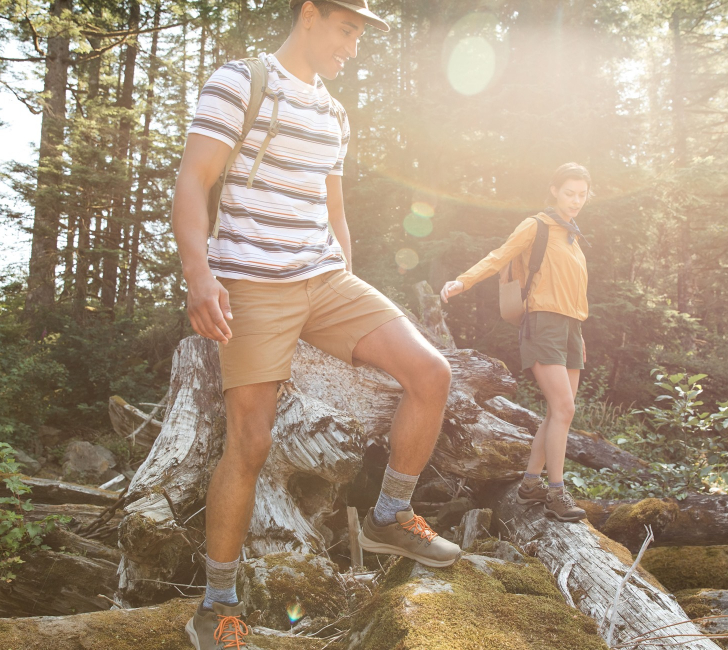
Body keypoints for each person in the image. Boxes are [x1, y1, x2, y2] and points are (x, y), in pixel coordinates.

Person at [172, 1, 461, 647]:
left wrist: (346, 279)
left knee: (430, 372)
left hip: (326, 282)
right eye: (347, 28)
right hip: (251, 283)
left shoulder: (334, 112)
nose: (354, 45)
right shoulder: (240, 81)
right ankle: (216, 605)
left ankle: (390, 514)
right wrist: (200, 275)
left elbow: (334, 206)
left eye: (361, 33)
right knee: (250, 441)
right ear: (309, 13)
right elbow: (193, 181)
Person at [441, 162, 593, 524]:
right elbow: (500, 256)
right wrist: (464, 281)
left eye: (582, 195)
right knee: (564, 409)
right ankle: (555, 494)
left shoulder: (573, 237)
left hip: (571, 329)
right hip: (542, 324)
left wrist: (580, 334)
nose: (575, 201)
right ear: (555, 190)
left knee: (559, 413)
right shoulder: (536, 225)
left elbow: (576, 291)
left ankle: (529, 485)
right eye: (569, 193)